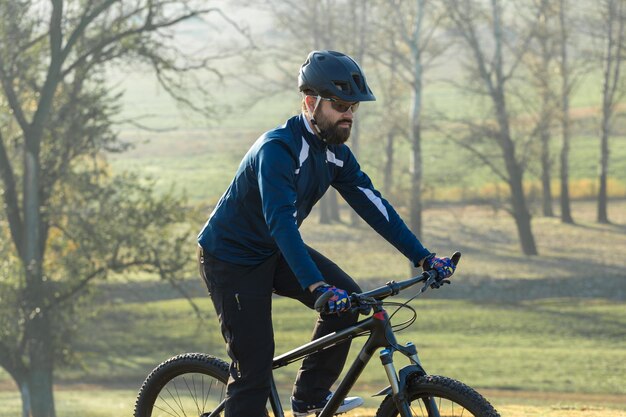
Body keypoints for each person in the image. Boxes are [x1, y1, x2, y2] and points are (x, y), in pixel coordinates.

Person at [197, 50, 456, 417]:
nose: (348, 114)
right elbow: (280, 221)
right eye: (339, 105)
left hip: (275, 250)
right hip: (230, 260)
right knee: (253, 369)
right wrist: (316, 287)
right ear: (310, 102)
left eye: (353, 107)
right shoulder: (278, 150)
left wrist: (423, 256)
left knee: (348, 303)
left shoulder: (335, 153)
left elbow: (374, 206)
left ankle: (308, 400)